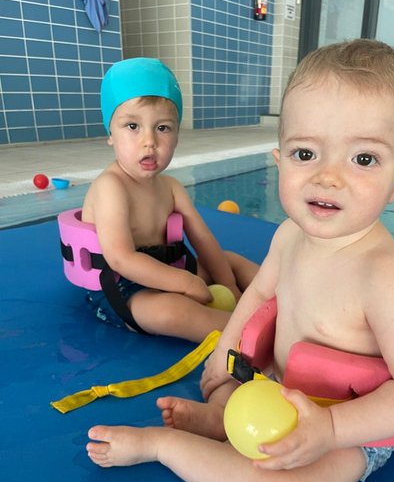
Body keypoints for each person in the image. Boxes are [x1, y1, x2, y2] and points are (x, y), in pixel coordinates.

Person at [85, 40, 394, 482]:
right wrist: (224, 356)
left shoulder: (383, 277)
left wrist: (332, 430)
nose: (328, 178)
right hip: (274, 387)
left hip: (350, 423)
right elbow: (257, 295)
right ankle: (220, 418)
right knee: (218, 384)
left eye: (363, 159)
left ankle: (163, 447)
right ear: (279, 161)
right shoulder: (288, 235)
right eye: (306, 153)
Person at [79, 57, 259, 341]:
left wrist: (230, 286)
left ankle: (286, 300)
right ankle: (248, 333)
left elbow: (203, 239)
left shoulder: (172, 186)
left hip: (172, 270)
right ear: (110, 133)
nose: (149, 141)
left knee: (229, 261)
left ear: (176, 136)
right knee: (172, 313)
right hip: (123, 287)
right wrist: (184, 282)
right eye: (133, 126)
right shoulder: (110, 187)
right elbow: (121, 258)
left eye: (162, 128)